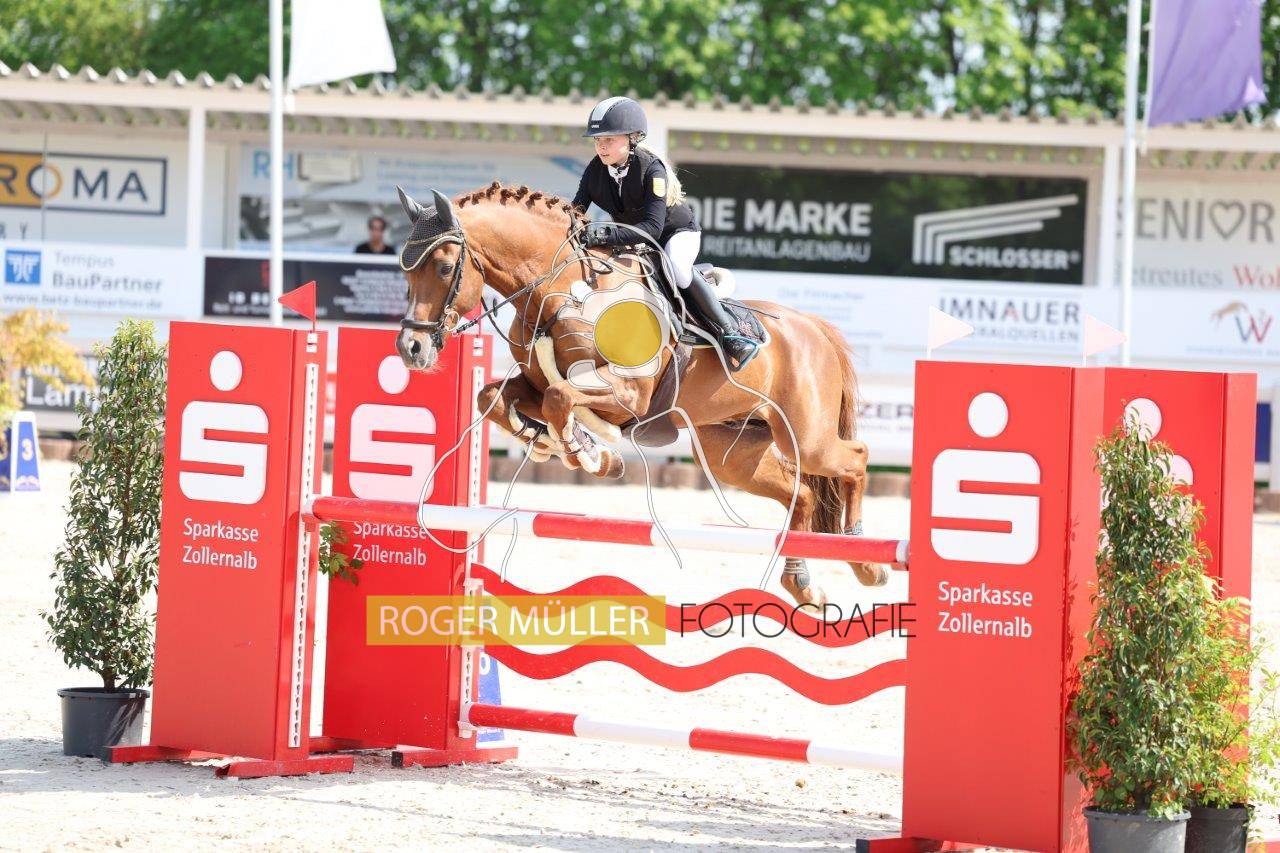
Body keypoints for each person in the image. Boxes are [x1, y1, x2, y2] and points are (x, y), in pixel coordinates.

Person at [572, 96, 757, 370]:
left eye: (609, 138)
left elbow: (652, 228)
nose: (601, 145)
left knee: (677, 269)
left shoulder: (651, 168)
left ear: (632, 138)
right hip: (635, 239)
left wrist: (603, 236)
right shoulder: (595, 170)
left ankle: (731, 334)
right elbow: (576, 209)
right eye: (598, 139)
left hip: (674, 234)